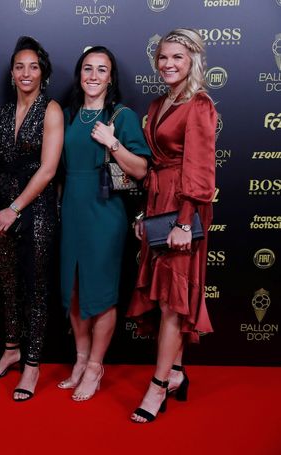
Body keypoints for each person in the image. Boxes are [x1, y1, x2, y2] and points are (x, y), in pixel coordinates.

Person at [128, 28, 216, 423]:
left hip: (184, 207)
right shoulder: (158, 102)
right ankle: (177, 372)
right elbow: (154, 167)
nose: (168, 64)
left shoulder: (199, 105)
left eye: (177, 57)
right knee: (167, 295)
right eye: (163, 57)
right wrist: (145, 215)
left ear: (192, 60)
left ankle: (158, 386)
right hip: (158, 202)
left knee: (172, 299)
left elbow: (200, 170)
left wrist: (183, 222)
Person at [57, 46, 150, 401]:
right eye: (87, 69)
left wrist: (112, 143)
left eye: (101, 70)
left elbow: (141, 171)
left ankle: (96, 366)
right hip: (73, 211)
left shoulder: (121, 116)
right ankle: (80, 361)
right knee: (75, 289)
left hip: (106, 212)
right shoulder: (67, 115)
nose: (93, 76)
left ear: (111, 77)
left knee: (102, 293)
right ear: (79, 74)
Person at [0, 36, 63, 401]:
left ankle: (32, 365)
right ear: (12, 73)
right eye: (20, 66)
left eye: (33, 66)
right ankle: (12, 348)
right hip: (1, 212)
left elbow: (47, 170)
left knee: (36, 289)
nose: (26, 73)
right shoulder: (1, 114)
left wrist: (13, 210)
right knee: (8, 284)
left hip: (37, 211)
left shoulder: (52, 111)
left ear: (42, 72)